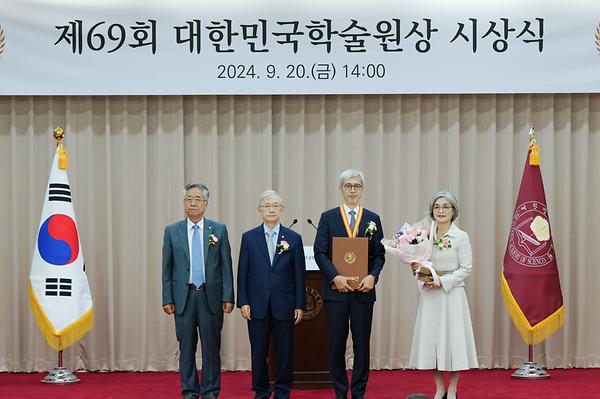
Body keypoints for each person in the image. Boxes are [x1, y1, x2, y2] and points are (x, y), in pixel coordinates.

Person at [313, 169, 386, 399]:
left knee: (362, 345)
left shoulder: (372, 219)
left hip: (363, 292)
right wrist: (335, 277)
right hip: (337, 292)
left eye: (357, 186)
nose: (352, 190)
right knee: (336, 344)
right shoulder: (328, 217)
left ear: (362, 190)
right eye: (348, 186)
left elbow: (379, 254)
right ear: (341, 189)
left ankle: (359, 392)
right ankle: (341, 392)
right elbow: (320, 252)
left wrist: (372, 276)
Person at [162, 183, 235, 399]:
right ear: (184, 203)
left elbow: (226, 266)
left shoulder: (218, 230)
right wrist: (167, 297)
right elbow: (166, 267)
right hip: (183, 298)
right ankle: (190, 392)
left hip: (210, 297)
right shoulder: (172, 231)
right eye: (188, 199)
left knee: (211, 349)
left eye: (197, 199)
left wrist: (228, 296)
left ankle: (211, 391)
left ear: (206, 203)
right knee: (186, 349)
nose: (192, 203)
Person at [237, 190, 306, 399]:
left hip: (284, 304)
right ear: (259, 210)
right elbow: (242, 272)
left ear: (282, 209)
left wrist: (299, 304)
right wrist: (243, 302)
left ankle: (283, 391)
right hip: (256, 305)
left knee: (284, 352)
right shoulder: (249, 238)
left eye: (275, 205)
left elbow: (299, 275)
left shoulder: (294, 238)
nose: (271, 209)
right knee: (258, 352)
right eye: (267, 205)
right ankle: (261, 390)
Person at [409, 191, 478, 399]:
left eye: (445, 207)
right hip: (431, 296)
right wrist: (417, 270)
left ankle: (453, 389)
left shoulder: (461, 236)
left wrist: (442, 281)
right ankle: (439, 389)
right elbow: (418, 261)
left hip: (452, 295)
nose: (440, 210)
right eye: (437, 206)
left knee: (453, 342)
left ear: (453, 211)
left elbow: (466, 268)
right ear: (432, 210)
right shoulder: (423, 235)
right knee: (433, 342)